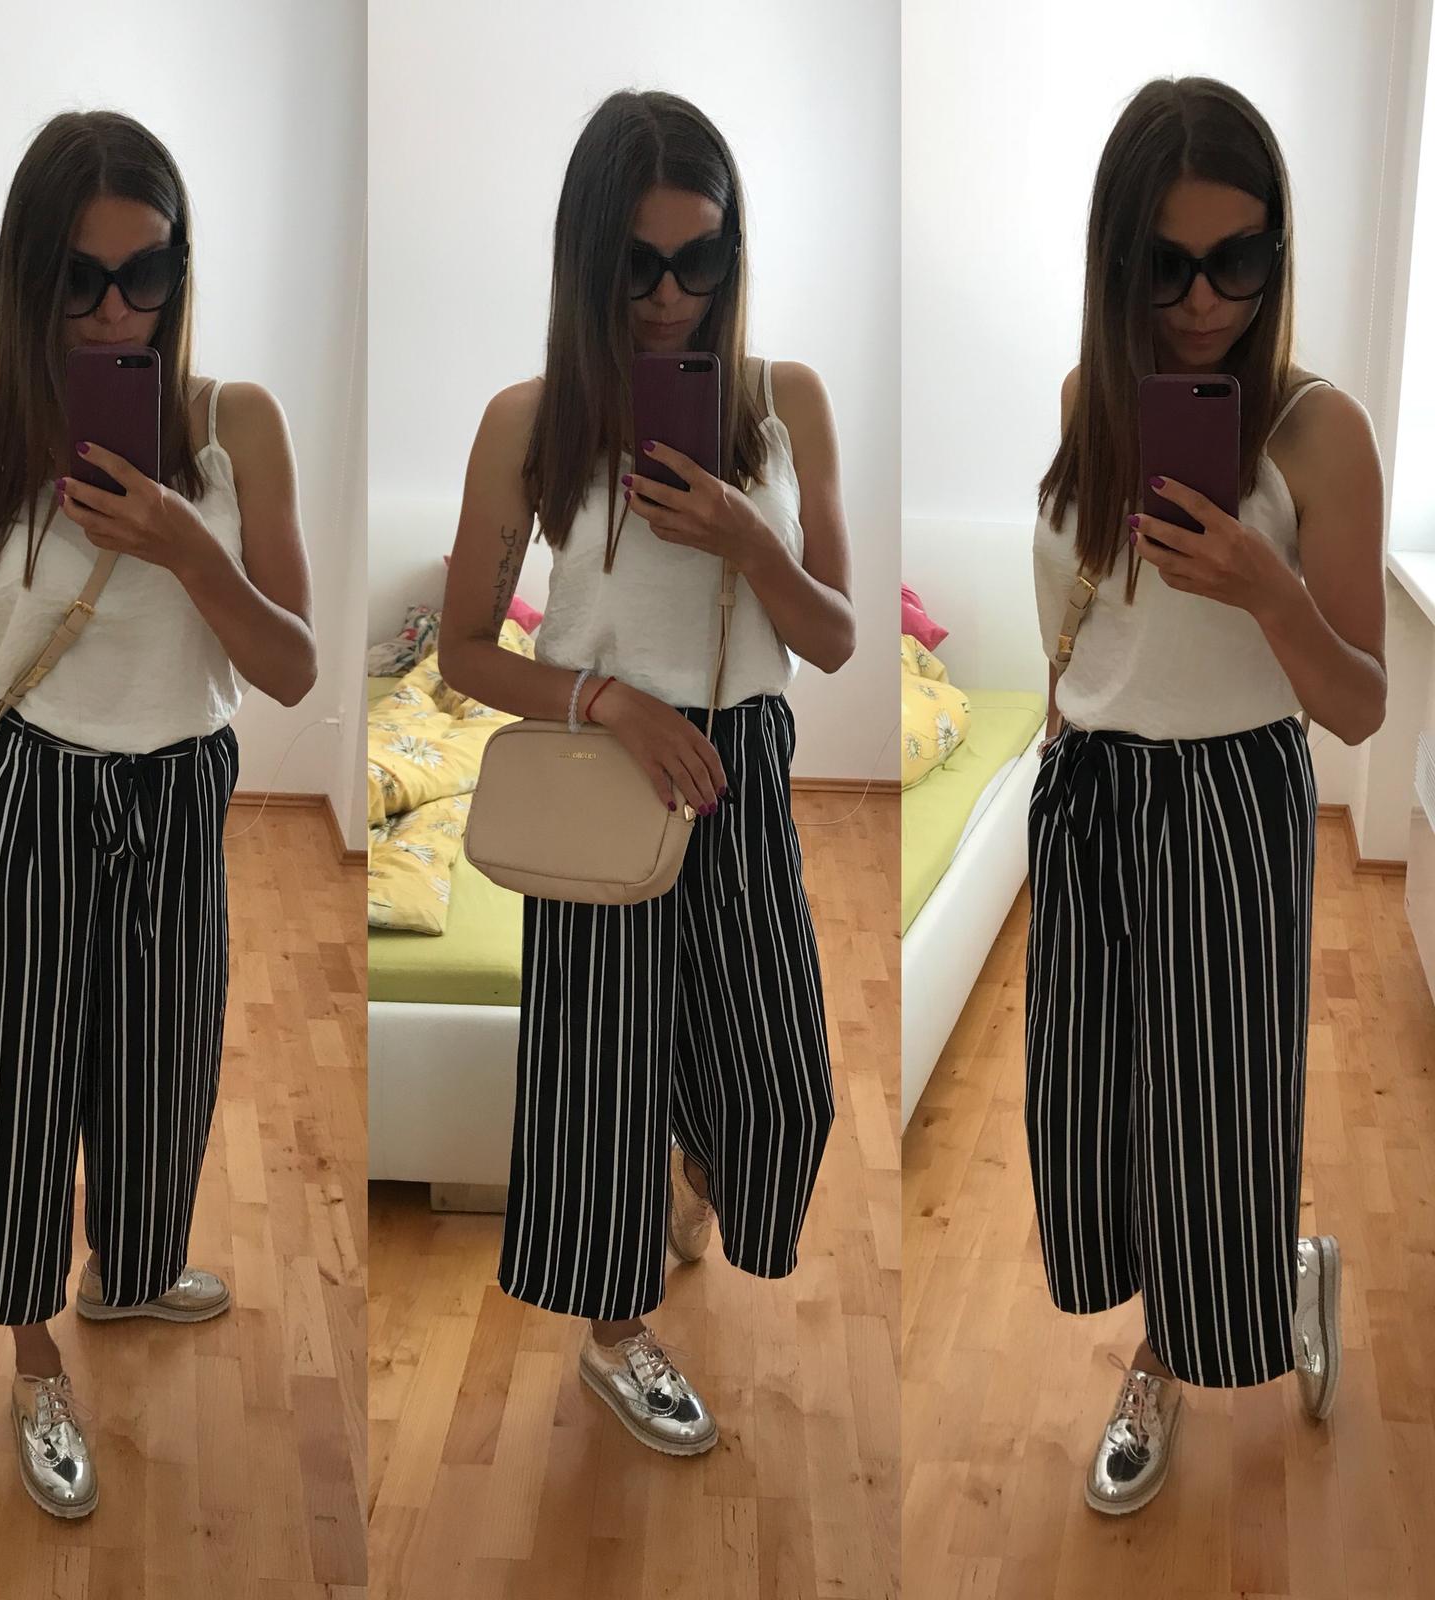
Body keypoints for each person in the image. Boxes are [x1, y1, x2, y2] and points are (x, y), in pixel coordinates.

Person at [0, 109, 317, 1518]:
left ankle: (129, 1273)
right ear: (29, 281)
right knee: (9, 1093)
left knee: (163, 1071)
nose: (120, 311)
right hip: (31, 789)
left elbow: (292, 666)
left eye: (148, 273)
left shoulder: (233, 429)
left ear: (182, 270)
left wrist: (183, 543)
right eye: (81, 279)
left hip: (180, 795)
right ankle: (32, 1360)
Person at [439, 89, 855, 1454]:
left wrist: (747, 538)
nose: (673, 294)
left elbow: (835, 638)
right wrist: (609, 699)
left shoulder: (783, 405)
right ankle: (614, 1336)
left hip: (743, 761)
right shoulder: (531, 421)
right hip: (599, 763)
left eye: (702, 258)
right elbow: (461, 651)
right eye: (639, 263)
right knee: (596, 1077)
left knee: (788, 1080)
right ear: (587, 259)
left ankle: (687, 1173)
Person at [1027, 76, 1386, 1514]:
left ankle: (1179, 1349)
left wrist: (1264, 584)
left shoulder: (1317, 432)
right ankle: (1218, 1297)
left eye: (1238, 261)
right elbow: (1091, 619)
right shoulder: (1088, 402)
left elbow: (1359, 701)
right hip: (1090, 784)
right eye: (1164, 265)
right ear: (1114, 257)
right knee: (1097, 1105)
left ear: (1276, 252)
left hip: (1233, 793)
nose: (1201, 302)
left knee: (1216, 1112)